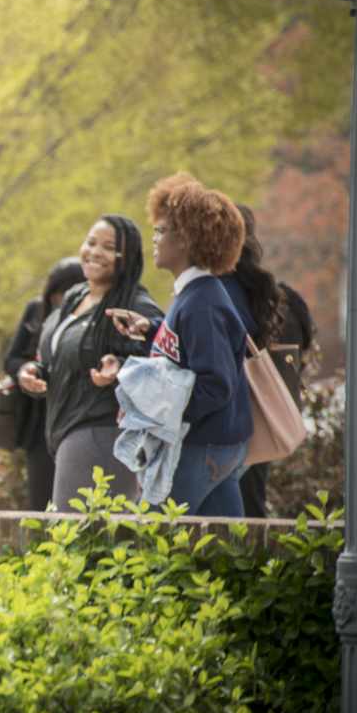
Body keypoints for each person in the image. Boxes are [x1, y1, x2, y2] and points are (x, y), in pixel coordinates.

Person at [105, 174, 251, 517]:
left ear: (186, 238)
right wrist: (151, 329)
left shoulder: (204, 302)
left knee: (152, 538)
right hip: (217, 444)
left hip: (203, 446)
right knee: (226, 556)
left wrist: (158, 413)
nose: (154, 238)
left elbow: (215, 384)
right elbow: (189, 352)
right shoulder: (195, 296)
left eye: (162, 230)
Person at [16, 217, 164, 509]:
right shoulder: (76, 296)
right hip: (65, 427)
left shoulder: (135, 305)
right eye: (91, 242)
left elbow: (160, 363)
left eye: (108, 247)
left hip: (102, 432)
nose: (94, 252)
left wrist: (120, 367)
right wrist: (32, 373)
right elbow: (59, 356)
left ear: (128, 257)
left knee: (74, 536)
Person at [220, 205, 316, 517]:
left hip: (242, 422)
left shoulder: (224, 296)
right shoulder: (273, 296)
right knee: (246, 508)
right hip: (260, 422)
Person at [2, 257, 85, 510]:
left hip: (76, 417)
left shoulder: (93, 318)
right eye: (55, 296)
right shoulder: (36, 312)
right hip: (39, 420)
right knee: (40, 497)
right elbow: (12, 359)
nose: (60, 302)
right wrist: (26, 369)